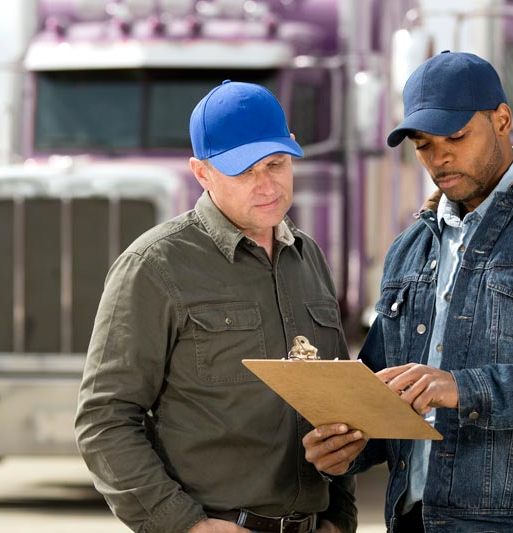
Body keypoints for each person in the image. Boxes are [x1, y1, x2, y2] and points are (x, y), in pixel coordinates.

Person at [302, 51, 513, 533]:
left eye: (456, 137)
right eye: (423, 145)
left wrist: (467, 387)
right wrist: (345, 449)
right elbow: (385, 396)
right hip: (414, 520)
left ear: (502, 120)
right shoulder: (409, 248)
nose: (438, 157)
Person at [75, 80, 356, 533]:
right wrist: (186, 526)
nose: (266, 185)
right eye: (243, 172)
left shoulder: (309, 257)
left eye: (276, 164)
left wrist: (340, 518)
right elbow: (104, 419)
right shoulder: (154, 265)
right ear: (201, 173)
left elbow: (337, 403)